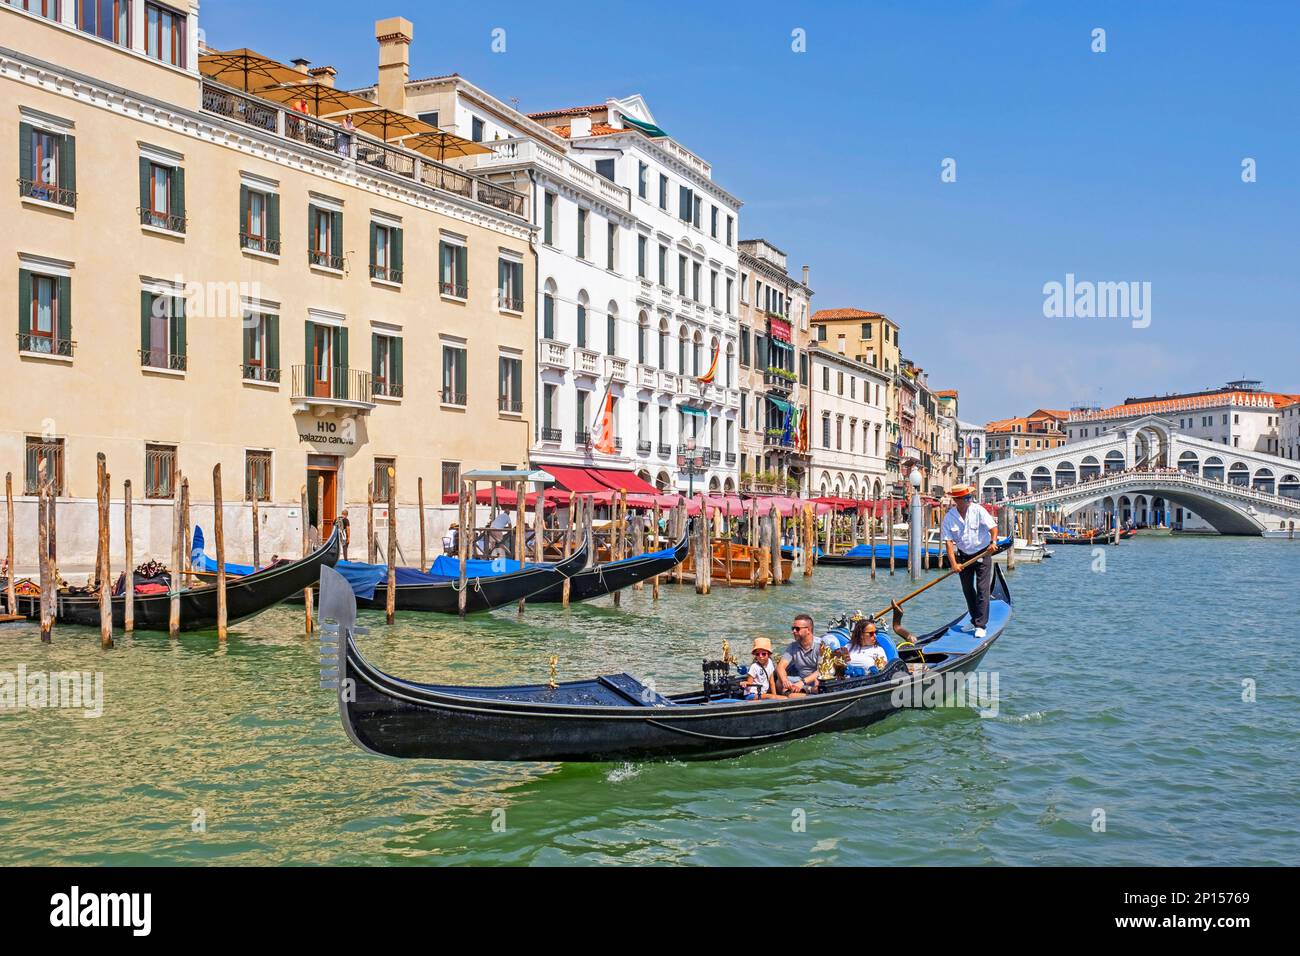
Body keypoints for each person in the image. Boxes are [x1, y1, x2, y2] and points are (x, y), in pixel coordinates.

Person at [940, 484, 997, 638]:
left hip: (983, 552)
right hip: (964, 556)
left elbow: (993, 528)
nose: (970, 500)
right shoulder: (949, 518)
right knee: (967, 589)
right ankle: (974, 619)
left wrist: (993, 542)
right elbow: (948, 543)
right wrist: (954, 564)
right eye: (967, 498)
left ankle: (981, 624)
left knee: (982, 588)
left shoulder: (978, 510)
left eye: (970, 497)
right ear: (957, 500)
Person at [776, 613, 825, 696]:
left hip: (815, 681)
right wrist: (785, 680)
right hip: (799, 679)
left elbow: (820, 671)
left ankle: (798, 693)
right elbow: (781, 666)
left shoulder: (821, 646)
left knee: (819, 685)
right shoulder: (792, 646)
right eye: (793, 628)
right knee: (779, 682)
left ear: (808, 630)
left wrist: (802, 683)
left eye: (797, 629)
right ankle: (797, 693)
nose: (793, 631)